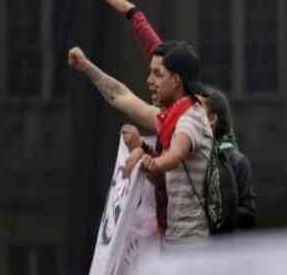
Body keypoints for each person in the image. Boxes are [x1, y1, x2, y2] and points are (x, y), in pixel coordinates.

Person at [99, 0, 257, 232]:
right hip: (171, 238)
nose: (191, 107)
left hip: (200, 249)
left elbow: (247, 215)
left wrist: (219, 225)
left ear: (211, 120)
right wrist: (134, 15)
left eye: (198, 106)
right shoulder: (172, 121)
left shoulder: (229, 158)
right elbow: (165, 60)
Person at [68, 40, 213, 244]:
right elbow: (120, 96)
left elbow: (175, 155)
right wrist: (87, 67)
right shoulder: (169, 120)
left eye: (158, 74)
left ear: (176, 80)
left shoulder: (191, 118)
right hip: (176, 243)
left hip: (194, 248)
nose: (149, 81)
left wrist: (153, 161)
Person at [202, 88, 257, 230]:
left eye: (197, 111)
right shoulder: (191, 156)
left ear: (212, 118)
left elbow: (249, 214)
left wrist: (219, 211)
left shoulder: (237, 162)